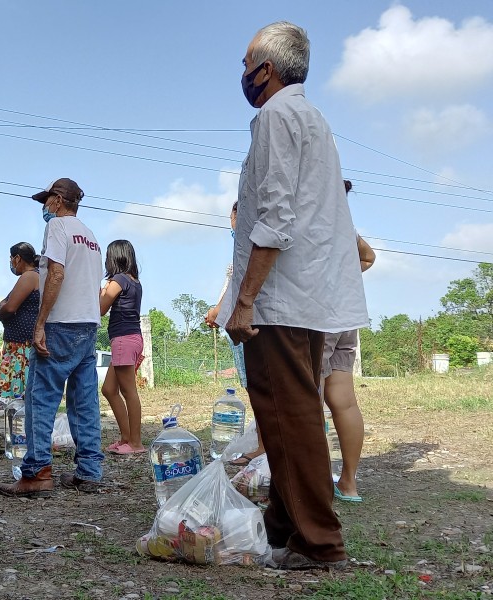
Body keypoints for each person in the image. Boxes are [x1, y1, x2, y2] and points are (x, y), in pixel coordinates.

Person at [224, 22, 367, 570]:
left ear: (267, 69)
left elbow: (276, 217)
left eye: (246, 64)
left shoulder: (277, 116)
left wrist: (245, 299)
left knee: (291, 414)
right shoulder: (310, 118)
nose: (242, 75)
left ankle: (318, 542)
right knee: (284, 413)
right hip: (305, 295)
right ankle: (285, 525)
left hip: (281, 299)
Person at [0, 177, 104, 498]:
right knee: (84, 402)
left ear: (57, 201)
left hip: (61, 323)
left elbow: (56, 274)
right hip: (88, 324)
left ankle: (37, 472)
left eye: (46, 200)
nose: (44, 207)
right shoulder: (91, 236)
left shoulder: (57, 227)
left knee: (40, 399)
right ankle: (89, 472)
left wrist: (40, 323)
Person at [325, 179, 376, 502]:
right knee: (344, 401)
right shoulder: (347, 225)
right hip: (349, 315)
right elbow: (368, 258)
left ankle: (314, 483)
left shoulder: (315, 220)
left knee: (309, 402)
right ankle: (349, 483)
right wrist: (345, 275)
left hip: (318, 317)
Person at [205, 202, 266, 466]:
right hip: (245, 318)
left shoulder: (250, 243)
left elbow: (240, 285)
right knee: (255, 387)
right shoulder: (245, 244)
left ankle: (263, 448)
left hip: (248, 321)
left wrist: (218, 312)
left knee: (257, 386)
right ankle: (264, 444)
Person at [99, 240, 146, 455]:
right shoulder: (135, 282)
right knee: (109, 389)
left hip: (123, 339)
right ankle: (126, 438)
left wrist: (100, 290)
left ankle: (135, 443)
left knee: (129, 391)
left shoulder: (118, 280)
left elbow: (100, 308)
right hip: (131, 339)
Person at [0, 242, 40, 408]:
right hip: (23, 343)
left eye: (11, 259)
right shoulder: (38, 275)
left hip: (21, 347)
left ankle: (22, 433)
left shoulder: (29, 276)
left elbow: (9, 306)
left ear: (18, 258)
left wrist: (0, 311)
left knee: (18, 399)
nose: (11, 263)